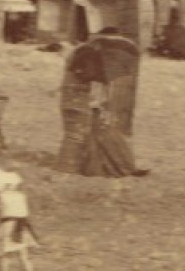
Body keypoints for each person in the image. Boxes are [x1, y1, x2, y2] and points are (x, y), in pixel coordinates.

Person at [57, 26, 148, 195]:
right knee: (90, 133)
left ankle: (117, 167)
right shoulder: (90, 57)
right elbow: (91, 81)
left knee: (100, 132)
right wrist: (98, 101)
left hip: (77, 98)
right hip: (81, 99)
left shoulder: (84, 53)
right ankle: (116, 167)